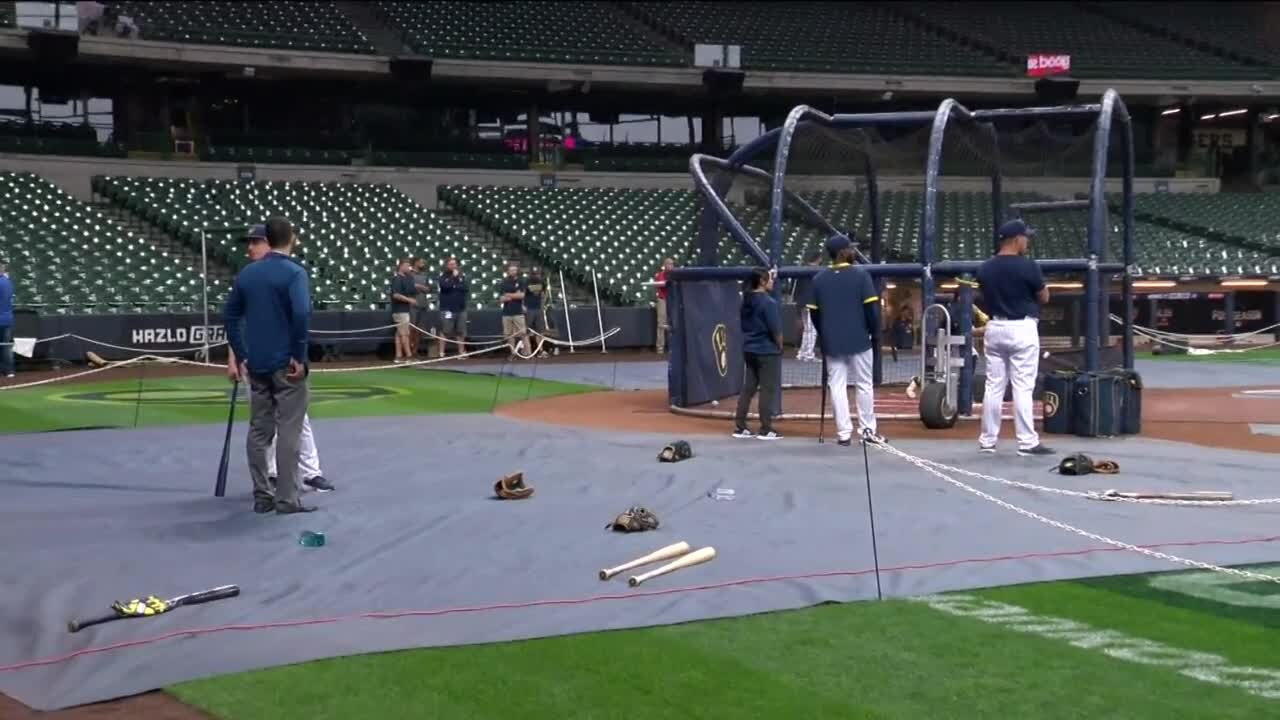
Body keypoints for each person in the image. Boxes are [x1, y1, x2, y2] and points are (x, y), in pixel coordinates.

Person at [226, 225, 333, 494]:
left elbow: (235, 318)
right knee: (267, 426)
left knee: (293, 423)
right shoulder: (250, 275)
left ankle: (306, 474)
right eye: (248, 242)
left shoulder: (272, 273)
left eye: (256, 242)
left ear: (269, 242)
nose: (250, 247)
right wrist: (236, 357)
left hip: (276, 359)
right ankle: (276, 480)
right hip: (262, 360)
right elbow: (238, 320)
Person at [974, 219, 1054, 457]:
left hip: (995, 326)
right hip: (1022, 328)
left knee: (993, 386)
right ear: (1017, 239)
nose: (1027, 241)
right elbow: (1045, 297)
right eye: (1025, 237)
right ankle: (1027, 442)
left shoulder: (985, 267)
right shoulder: (1028, 266)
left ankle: (987, 441)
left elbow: (982, 294)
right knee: (1022, 387)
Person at [808, 234, 884, 446]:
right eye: (850, 248)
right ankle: (868, 432)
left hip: (832, 340)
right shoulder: (861, 276)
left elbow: (814, 315)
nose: (853, 250)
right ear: (842, 252)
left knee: (837, 386)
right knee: (864, 385)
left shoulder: (819, 279)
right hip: (859, 338)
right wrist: (874, 332)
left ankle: (843, 434)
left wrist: (824, 332)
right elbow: (871, 310)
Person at [733, 268, 783, 440]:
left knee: (748, 389)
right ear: (762, 281)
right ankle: (766, 428)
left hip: (749, 349)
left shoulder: (745, 301)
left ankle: (740, 426)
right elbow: (775, 330)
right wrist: (780, 346)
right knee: (767, 390)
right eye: (769, 279)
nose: (772, 282)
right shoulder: (768, 303)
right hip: (766, 351)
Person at [793, 250, 822, 362]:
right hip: (810, 303)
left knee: (807, 329)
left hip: (802, 302)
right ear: (818, 258)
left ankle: (802, 353)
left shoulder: (803, 268)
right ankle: (808, 354)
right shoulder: (816, 270)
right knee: (812, 330)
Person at [437, 256, 469, 358]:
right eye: (451, 264)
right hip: (447, 309)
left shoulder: (461, 276)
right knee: (445, 330)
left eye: (454, 264)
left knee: (461, 331)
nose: (453, 266)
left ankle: (461, 352)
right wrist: (453, 279)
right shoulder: (443, 277)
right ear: (446, 265)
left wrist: (455, 284)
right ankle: (441, 352)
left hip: (460, 308)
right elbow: (445, 286)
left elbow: (465, 288)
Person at [389, 259, 418, 364]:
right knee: (405, 334)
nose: (408, 268)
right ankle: (409, 356)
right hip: (399, 310)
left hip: (404, 309)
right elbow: (395, 295)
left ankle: (398, 356)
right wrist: (409, 300)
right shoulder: (397, 279)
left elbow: (412, 289)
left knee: (399, 334)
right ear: (401, 266)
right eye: (406, 265)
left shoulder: (407, 278)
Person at [498, 263, 527, 357]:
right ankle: (513, 352)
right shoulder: (504, 282)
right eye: (511, 270)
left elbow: (522, 295)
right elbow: (501, 299)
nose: (513, 272)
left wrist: (509, 295)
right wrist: (515, 294)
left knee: (523, 333)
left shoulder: (521, 281)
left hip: (518, 311)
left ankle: (527, 351)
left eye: (515, 270)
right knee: (509, 335)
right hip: (507, 312)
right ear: (508, 271)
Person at [523, 266, 552, 359]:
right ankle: (528, 350)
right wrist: (523, 306)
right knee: (526, 331)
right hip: (529, 309)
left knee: (540, 332)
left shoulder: (542, 282)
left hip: (538, 310)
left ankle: (540, 350)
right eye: (535, 274)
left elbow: (545, 293)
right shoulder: (526, 282)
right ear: (531, 274)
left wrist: (543, 303)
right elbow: (522, 294)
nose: (537, 275)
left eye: (538, 273)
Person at [410, 257, 432, 357]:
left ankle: (415, 351)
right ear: (415, 263)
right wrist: (416, 287)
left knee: (419, 329)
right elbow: (407, 287)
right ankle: (408, 351)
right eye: (421, 262)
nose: (423, 263)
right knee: (411, 328)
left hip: (423, 304)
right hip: (412, 305)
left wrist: (422, 288)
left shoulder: (424, 275)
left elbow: (428, 289)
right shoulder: (409, 274)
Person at [653, 258, 674, 354]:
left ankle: (672, 346)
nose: (671, 266)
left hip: (673, 300)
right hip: (663, 300)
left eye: (672, 264)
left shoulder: (675, 275)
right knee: (661, 323)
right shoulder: (660, 275)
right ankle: (660, 347)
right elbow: (662, 285)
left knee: (673, 323)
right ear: (665, 265)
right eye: (669, 264)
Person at [0, 261, 13, 379]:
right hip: (7, 319)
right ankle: (9, 371)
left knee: (5, 346)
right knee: (6, 346)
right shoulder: (8, 281)